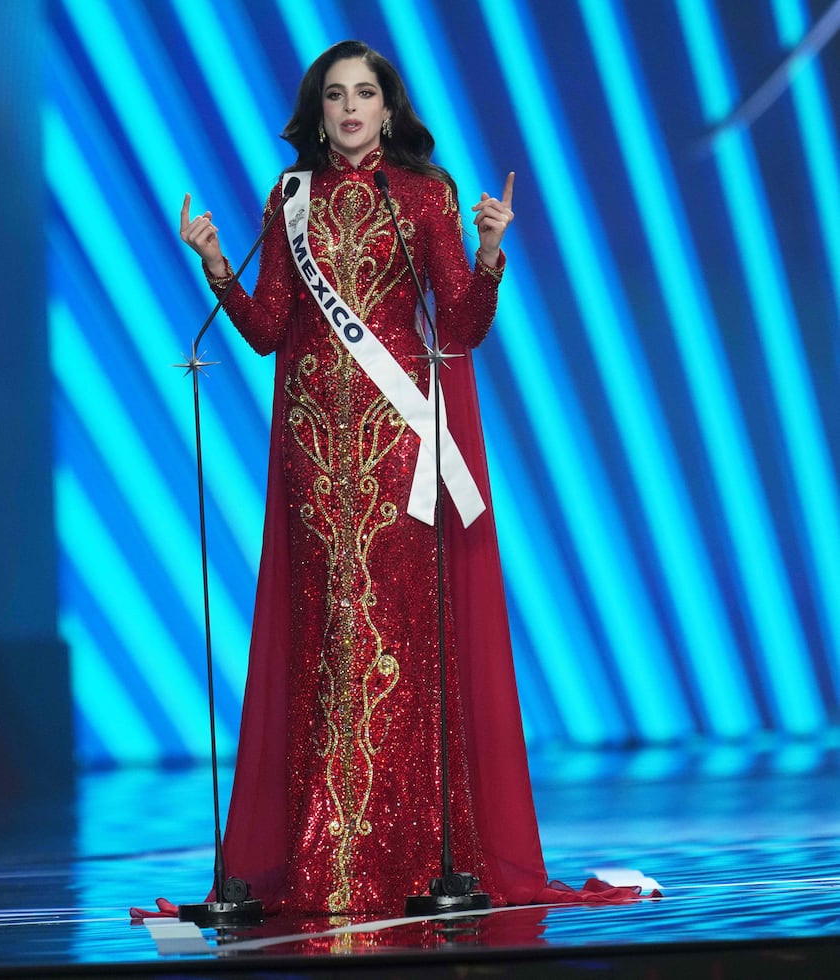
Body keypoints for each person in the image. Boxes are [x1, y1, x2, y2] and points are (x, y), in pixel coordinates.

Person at [177, 40, 644, 916]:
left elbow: (459, 323)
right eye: (335, 97)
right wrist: (211, 261)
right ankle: (325, 854)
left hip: (400, 453)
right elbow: (270, 327)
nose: (351, 110)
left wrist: (491, 250)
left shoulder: (426, 195)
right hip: (318, 457)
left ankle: (421, 860)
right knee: (326, 642)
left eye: (366, 95)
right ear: (317, 115)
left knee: (397, 646)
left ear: (389, 111)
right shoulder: (290, 198)